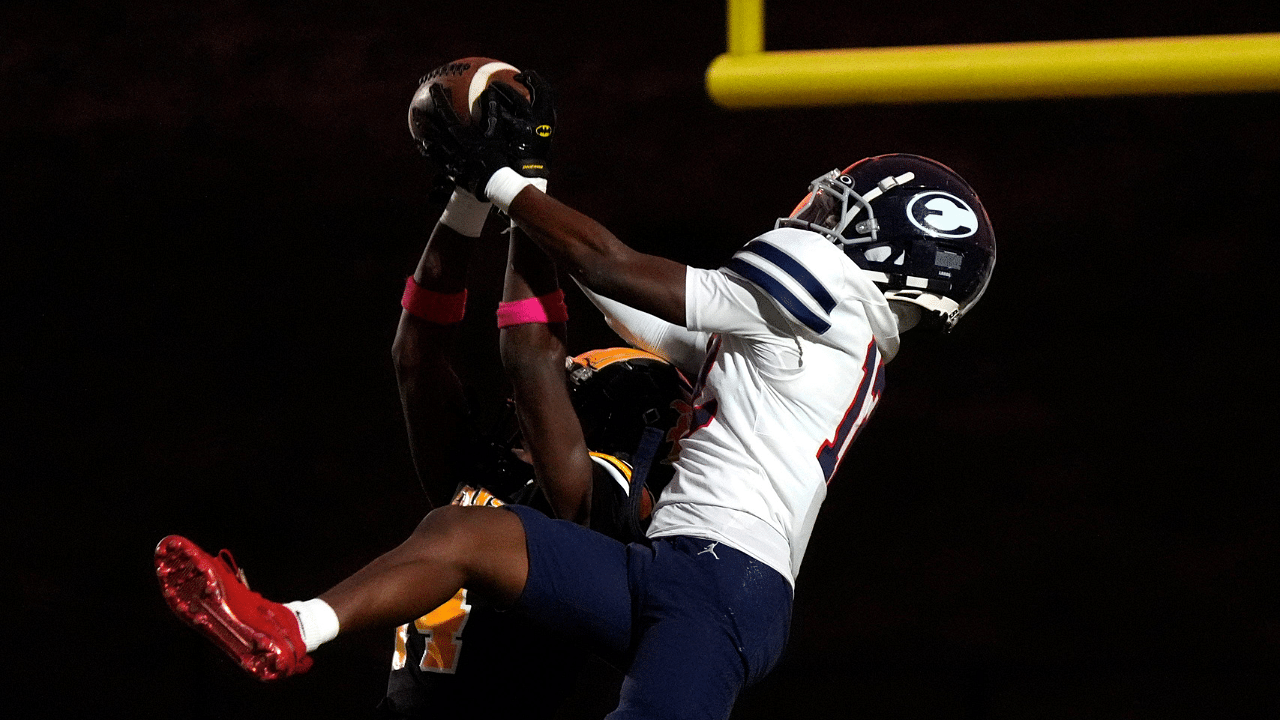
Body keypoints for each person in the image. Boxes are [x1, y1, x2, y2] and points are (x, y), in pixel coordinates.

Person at [155, 69, 996, 720]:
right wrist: (522, 188)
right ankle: (291, 627)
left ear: (894, 256)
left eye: (847, 209)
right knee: (461, 531)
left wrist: (502, 182)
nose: (821, 213)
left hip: (725, 588)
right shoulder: (794, 335)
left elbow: (607, 271)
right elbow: (606, 296)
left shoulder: (833, 299)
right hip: (667, 567)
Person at [377, 175, 686, 717]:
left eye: (567, 389)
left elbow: (529, 358)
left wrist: (518, 182)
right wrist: (467, 199)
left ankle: (305, 622)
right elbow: (415, 357)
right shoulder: (489, 471)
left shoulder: (597, 507)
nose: (530, 399)